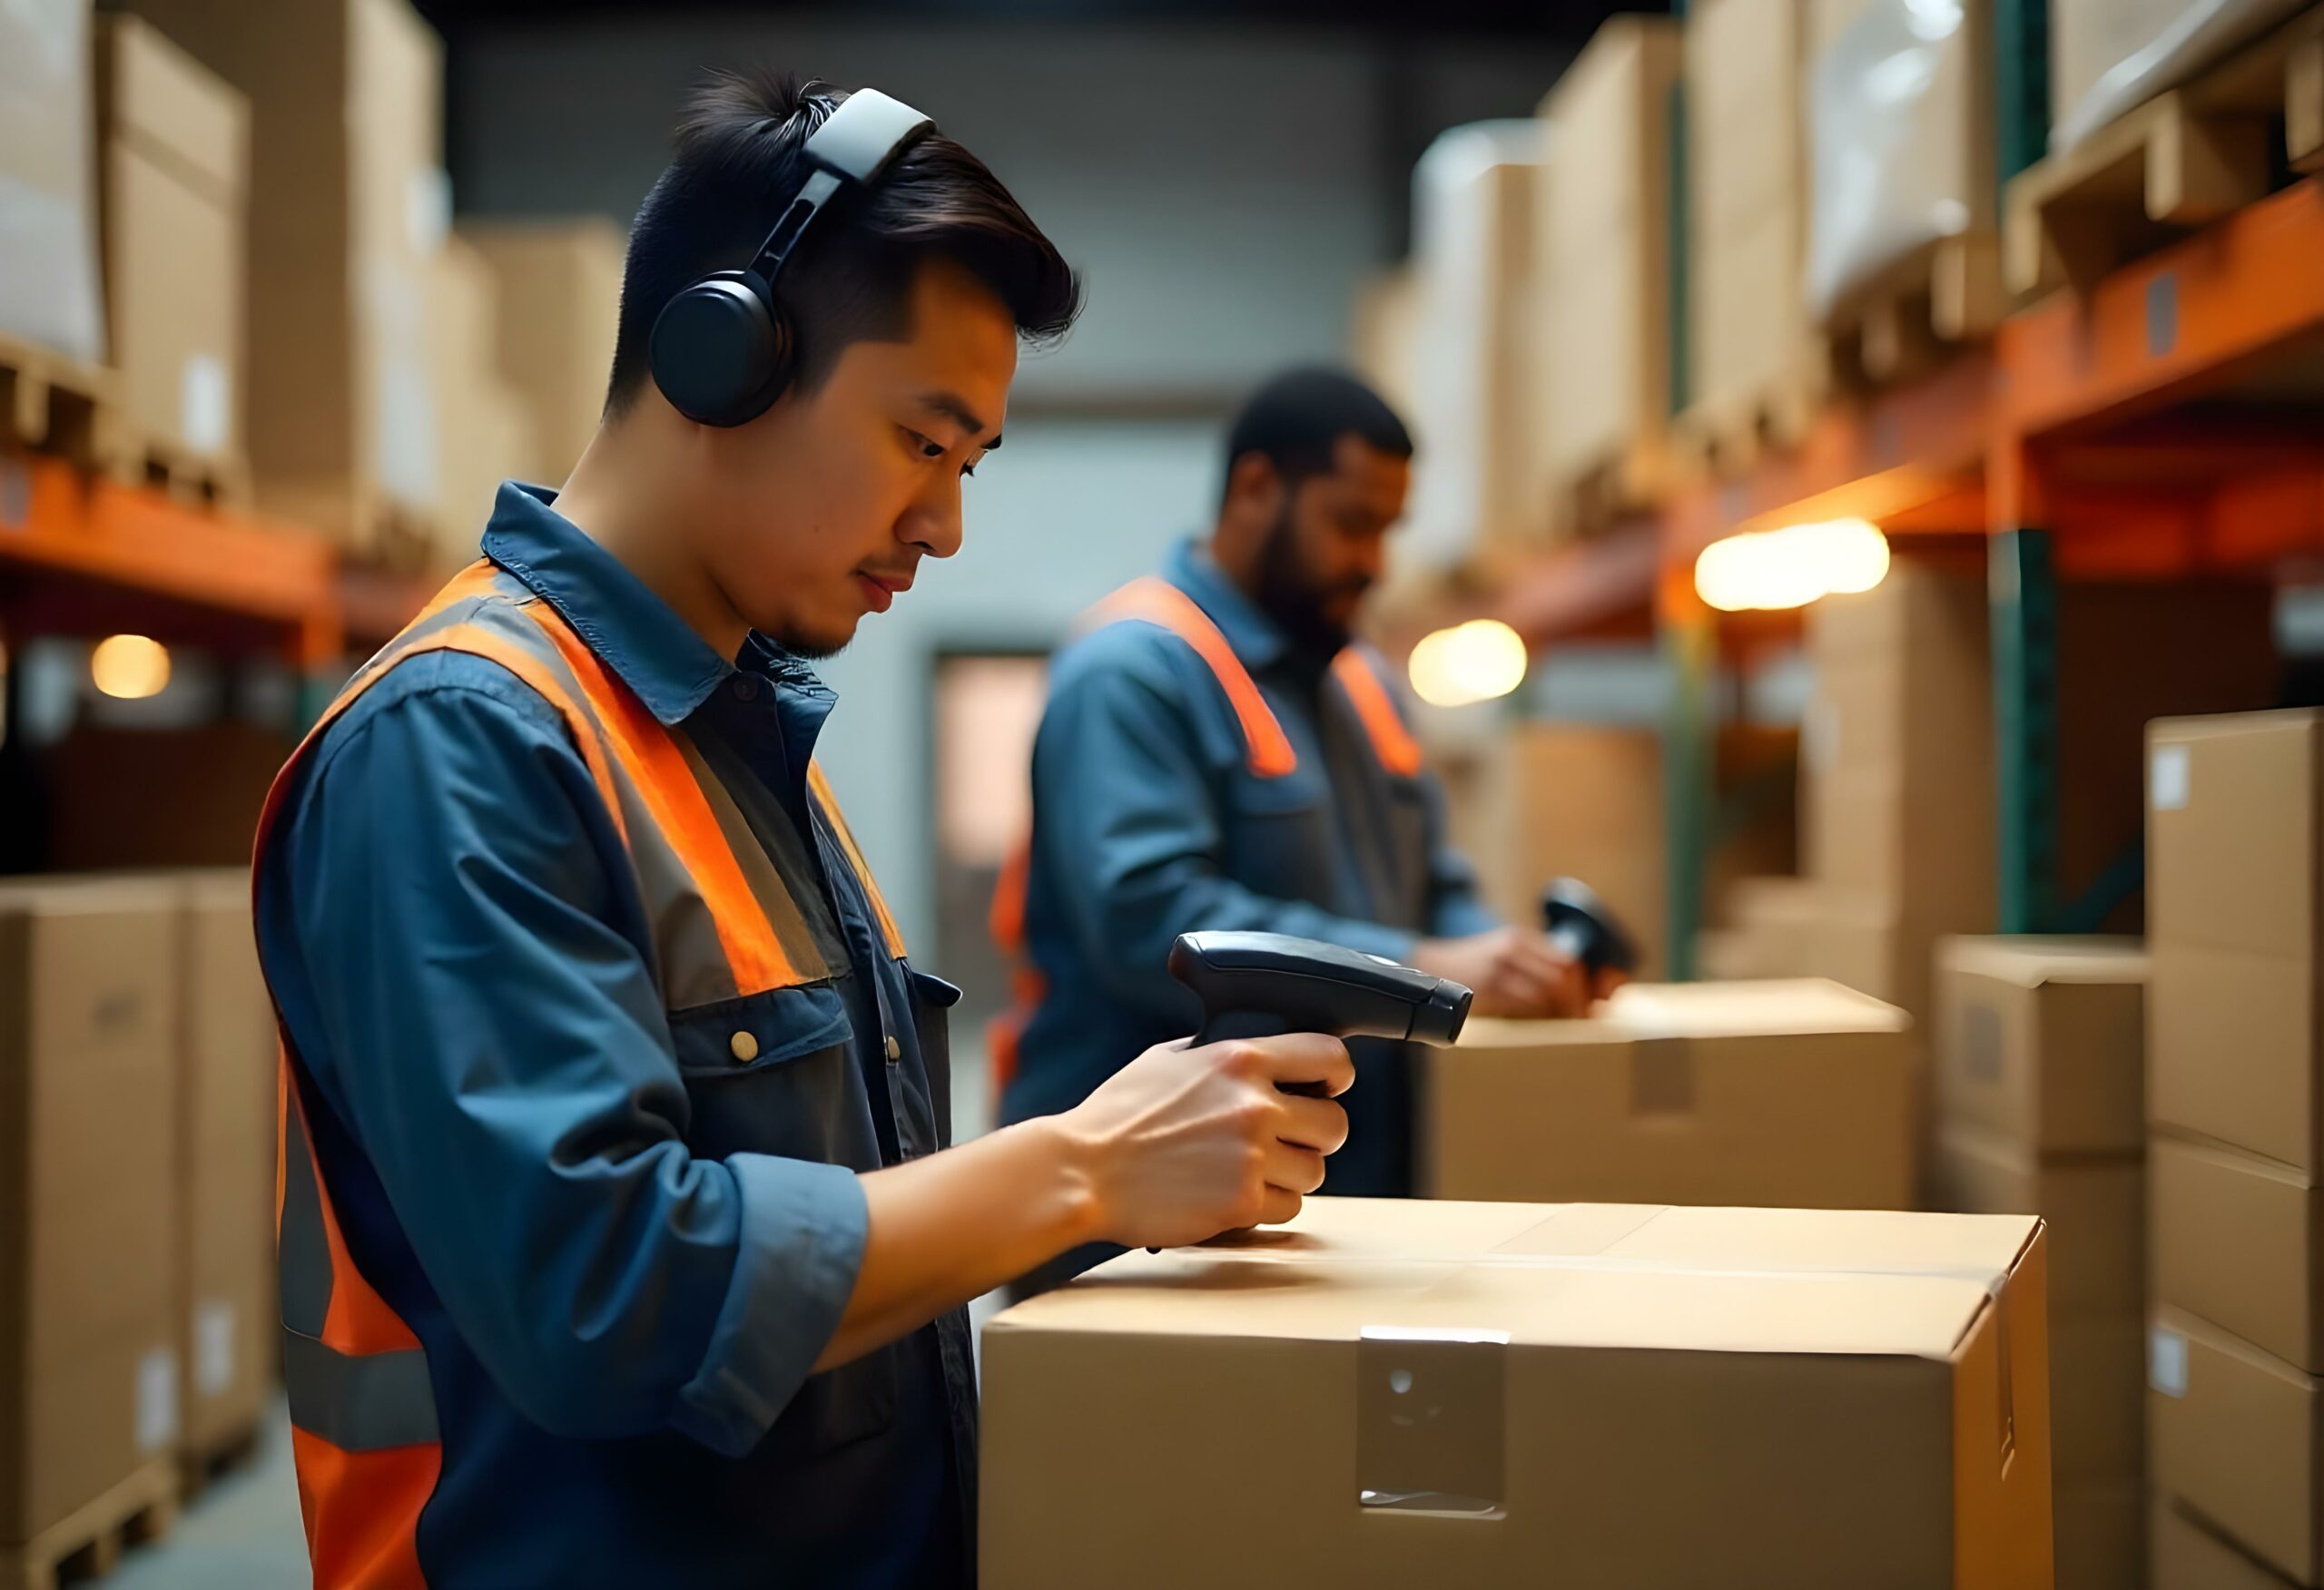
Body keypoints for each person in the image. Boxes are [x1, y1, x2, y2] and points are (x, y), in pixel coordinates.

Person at [252, 74, 1353, 1590]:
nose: (946, 524)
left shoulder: (739, 737)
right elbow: (605, 1287)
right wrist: (1085, 1167)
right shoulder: (463, 741)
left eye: (970, 465)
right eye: (922, 440)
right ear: (725, 358)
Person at [995, 368, 1619, 1255]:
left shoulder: (1359, 681)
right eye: (1351, 524)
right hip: (1144, 1217)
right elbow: (1153, 925)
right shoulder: (1131, 671)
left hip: (1328, 1194)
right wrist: (1420, 964)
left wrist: (1501, 964)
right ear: (1255, 489)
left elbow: (1434, 885)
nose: (1374, 562)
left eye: (1387, 530)